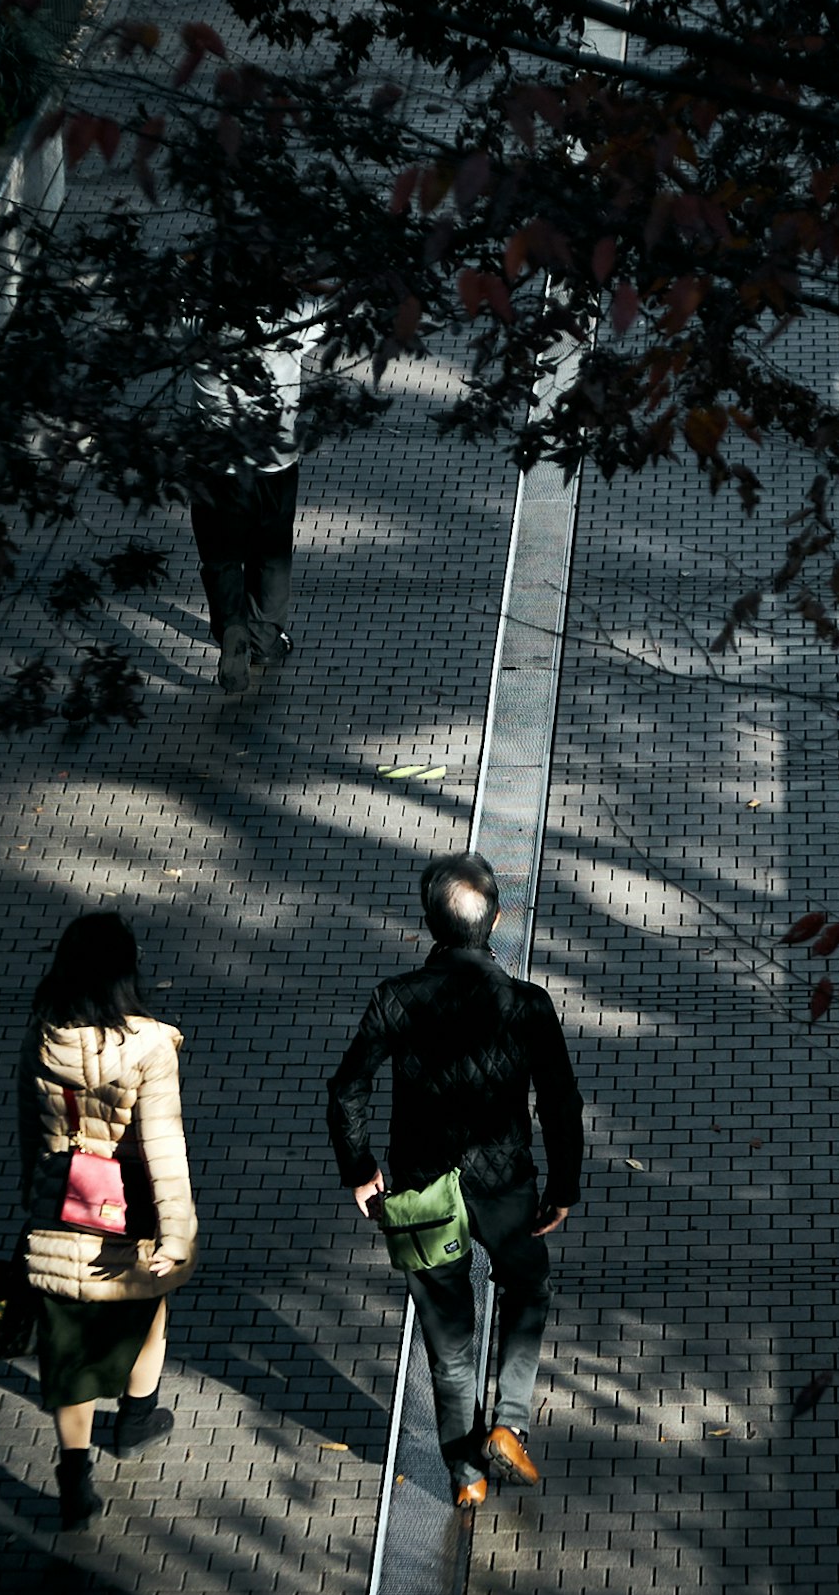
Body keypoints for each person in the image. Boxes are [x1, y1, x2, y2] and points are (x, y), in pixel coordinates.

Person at [327, 852, 584, 1510]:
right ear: (495, 919)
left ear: (429, 921)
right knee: (528, 1284)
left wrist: (361, 1167)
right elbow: (560, 1101)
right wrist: (563, 1186)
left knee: (449, 1335)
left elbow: (347, 1089)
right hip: (504, 1184)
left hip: (418, 1187)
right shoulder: (526, 1003)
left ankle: (465, 1473)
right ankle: (511, 1419)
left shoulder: (394, 999)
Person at [18, 910, 196, 1529]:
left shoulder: (43, 1036)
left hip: (58, 1212)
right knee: (149, 1304)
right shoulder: (149, 1047)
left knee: (67, 1355)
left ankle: (74, 1477)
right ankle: (136, 1420)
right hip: (129, 1218)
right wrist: (175, 1235)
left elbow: (28, 1129)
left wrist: (34, 1199)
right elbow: (162, 1146)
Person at [184, 332, 304, 690]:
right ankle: (265, 642)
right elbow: (334, 310)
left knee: (219, 558)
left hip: (214, 468)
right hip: (274, 465)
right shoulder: (290, 319)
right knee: (271, 555)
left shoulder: (200, 321)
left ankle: (232, 627)